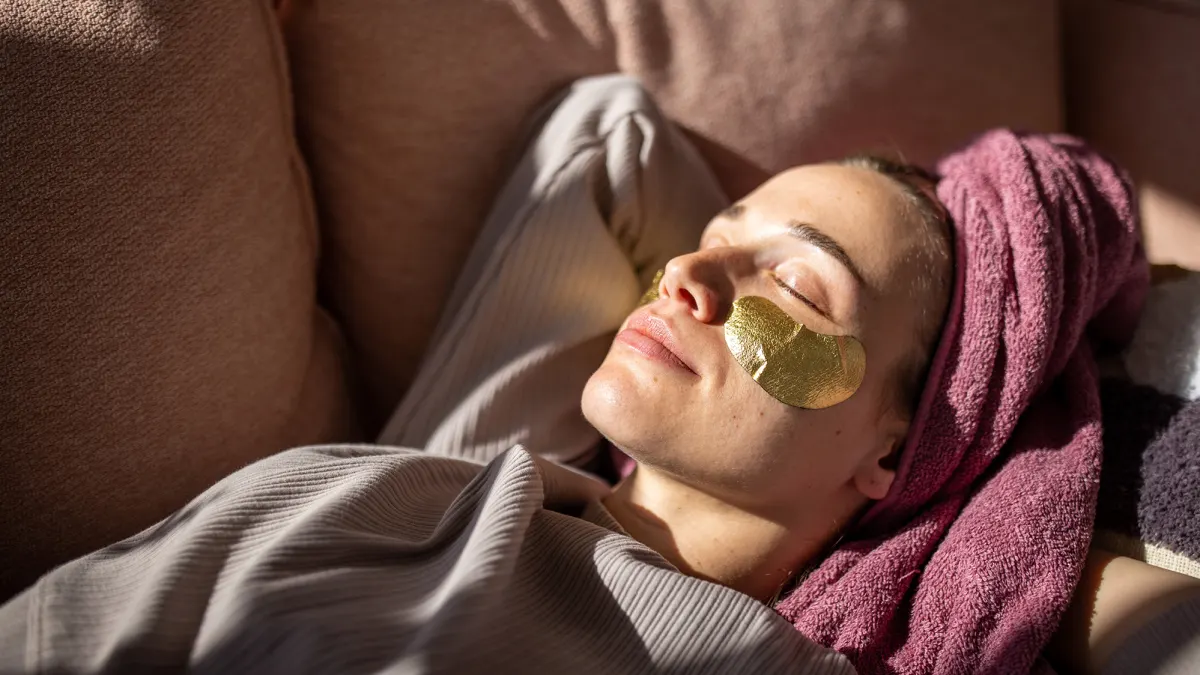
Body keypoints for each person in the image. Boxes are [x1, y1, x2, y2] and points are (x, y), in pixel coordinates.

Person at [0, 76, 1194, 675]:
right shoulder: (465, 470)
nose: (685, 272)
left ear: (900, 447)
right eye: (714, 234)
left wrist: (1013, 521)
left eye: (799, 289)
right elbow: (606, 126)